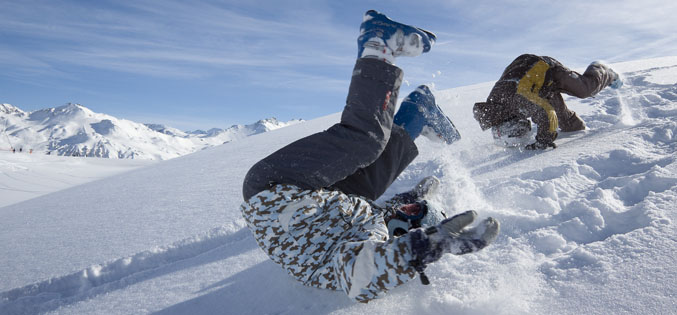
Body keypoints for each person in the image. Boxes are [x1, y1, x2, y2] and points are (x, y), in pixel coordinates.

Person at [240, 10, 499, 303]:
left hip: (277, 188)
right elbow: (384, 209)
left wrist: (425, 248)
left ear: (404, 234)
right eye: (415, 207)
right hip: (300, 196)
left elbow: (362, 274)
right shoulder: (370, 222)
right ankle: (417, 111)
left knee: (366, 141)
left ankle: (379, 44)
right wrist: (416, 197)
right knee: (374, 181)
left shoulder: (363, 244)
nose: (407, 208)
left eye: (412, 214)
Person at [473, 54, 622, 149]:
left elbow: (546, 112)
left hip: (546, 69)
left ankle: (602, 69)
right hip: (536, 85)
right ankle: (576, 129)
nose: (524, 132)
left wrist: (543, 141)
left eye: (520, 133)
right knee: (568, 126)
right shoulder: (495, 111)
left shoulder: (517, 100)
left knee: (584, 89)